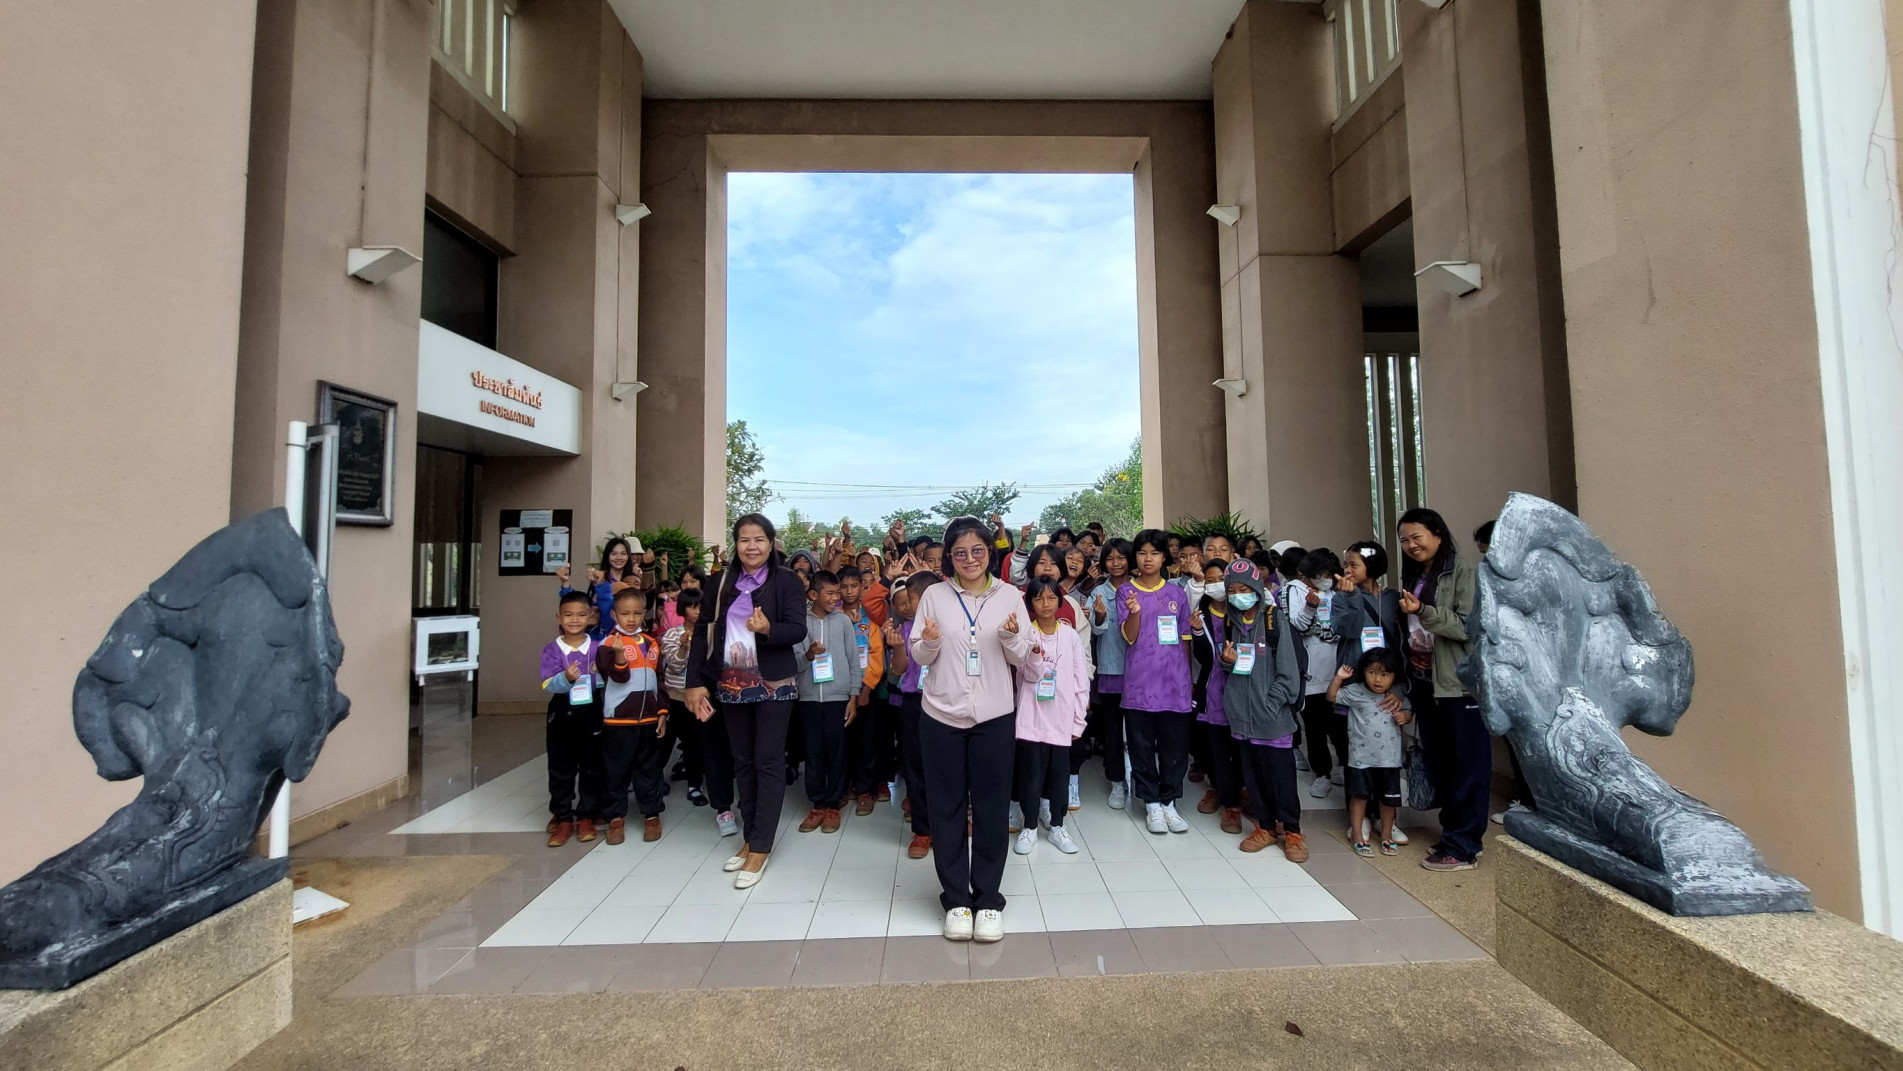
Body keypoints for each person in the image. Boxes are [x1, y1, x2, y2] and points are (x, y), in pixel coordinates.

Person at [910, 516, 1033, 943]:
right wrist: (928, 642)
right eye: (959, 552)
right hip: (941, 715)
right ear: (949, 557)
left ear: (989, 553)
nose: (969, 559)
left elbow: (1024, 658)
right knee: (944, 807)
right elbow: (920, 656)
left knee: (992, 808)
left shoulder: (1011, 595)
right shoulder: (934, 595)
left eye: (977, 550)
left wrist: (1012, 638)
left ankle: (988, 901)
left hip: (994, 717)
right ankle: (957, 901)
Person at [684, 513, 809, 889]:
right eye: (744, 540)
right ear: (735, 544)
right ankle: (750, 835)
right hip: (732, 683)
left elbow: (798, 628)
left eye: (759, 539)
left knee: (767, 761)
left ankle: (761, 846)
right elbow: (702, 636)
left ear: (771, 543)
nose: (751, 547)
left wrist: (768, 629)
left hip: (773, 683)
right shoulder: (720, 581)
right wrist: (694, 684)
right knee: (742, 761)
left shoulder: (786, 580)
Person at [1397, 507, 1486, 872]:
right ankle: (1454, 835)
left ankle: (1464, 846)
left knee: (1469, 766)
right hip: (1424, 681)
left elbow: (1469, 626)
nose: (1411, 545)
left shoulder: (1464, 572)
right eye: (1404, 540)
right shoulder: (1418, 573)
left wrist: (1426, 611)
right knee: (1442, 763)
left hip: (1458, 685)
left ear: (1437, 534)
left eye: (1417, 537)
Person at [1215, 559, 1306, 860]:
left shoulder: (1274, 621)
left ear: (1256, 589)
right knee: (1253, 778)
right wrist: (1227, 662)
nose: (1239, 595)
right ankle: (1265, 827)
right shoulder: (1232, 624)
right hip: (1242, 718)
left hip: (1273, 718)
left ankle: (1292, 831)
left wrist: (1272, 702)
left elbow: (1290, 672)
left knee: (1281, 777)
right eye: (1232, 591)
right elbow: (1235, 670)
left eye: (1244, 589)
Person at [1119, 528, 1198, 835]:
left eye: (1154, 552)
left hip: (1174, 683)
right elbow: (1130, 635)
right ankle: (1151, 803)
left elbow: (1185, 639)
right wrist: (1135, 612)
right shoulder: (1127, 591)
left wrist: (1187, 679)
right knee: (1140, 745)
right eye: (1142, 553)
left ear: (1165, 556)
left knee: (1175, 746)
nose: (1148, 558)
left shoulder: (1176, 593)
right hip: (1139, 684)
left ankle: (1169, 802)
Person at [1013, 577, 1090, 856]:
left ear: (1060, 600)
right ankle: (1030, 826)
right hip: (1032, 718)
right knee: (1031, 775)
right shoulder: (1026, 635)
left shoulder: (1069, 636)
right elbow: (1030, 675)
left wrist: (1078, 718)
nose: (1045, 604)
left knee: (1060, 775)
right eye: (1038, 598)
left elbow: (1080, 679)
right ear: (1030, 603)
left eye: (1051, 598)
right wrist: (1033, 654)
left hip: (1061, 718)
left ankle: (1057, 825)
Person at [595, 588, 670, 845]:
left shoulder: (652, 643)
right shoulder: (607, 645)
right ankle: (616, 817)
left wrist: (662, 711)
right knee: (616, 769)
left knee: (649, 768)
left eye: (637, 613)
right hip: (618, 721)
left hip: (648, 719)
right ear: (614, 614)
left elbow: (660, 681)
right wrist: (618, 655)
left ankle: (652, 814)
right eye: (625, 613)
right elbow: (618, 676)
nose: (631, 619)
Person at [1327, 647, 1412, 856]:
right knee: (1359, 796)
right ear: (1363, 671)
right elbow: (1332, 697)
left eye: (1385, 674)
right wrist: (1339, 677)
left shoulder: (1395, 698)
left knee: (1389, 800)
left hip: (1389, 760)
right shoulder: (1355, 691)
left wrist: (1406, 717)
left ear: (1394, 676)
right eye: (1372, 672)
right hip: (1360, 759)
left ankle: (1386, 834)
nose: (1377, 680)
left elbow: (1408, 712)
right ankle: (1357, 834)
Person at [794, 570, 859, 835]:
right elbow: (795, 662)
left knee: (837, 752)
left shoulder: (843, 621)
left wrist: (853, 695)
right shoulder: (800, 624)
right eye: (830, 593)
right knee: (813, 752)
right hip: (809, 698)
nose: (837, 597)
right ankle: (817, 803)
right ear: (813, 595)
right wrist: (809, 654)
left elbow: (854, 660)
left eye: (838, 592)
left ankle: (834, 804)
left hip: (838, 698)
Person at [540, 590, 604, 847]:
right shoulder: (552, 650)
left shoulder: (598, 648)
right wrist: (565, 679)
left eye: (581, 615)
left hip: (592, 713)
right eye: (568, 615)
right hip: (562, 714)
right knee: (560, 767)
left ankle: (586, 815)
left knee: (592, 766)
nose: (574, 620)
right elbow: (547, 683)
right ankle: (563, 817)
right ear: (559, 617)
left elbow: (606, 680)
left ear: (590, 617)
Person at [885, 571, 940, 859]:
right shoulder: (905, 629)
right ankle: (922, 829)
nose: (908, 605)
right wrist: (896, 646)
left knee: (948, 768)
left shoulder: (951, 627)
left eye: (914, 598)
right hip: (914, 703)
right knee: (916, 766)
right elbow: (900, 669)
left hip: (945, 703)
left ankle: (950, 824)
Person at [1287, 548, 1350, 798]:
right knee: (1314, 728)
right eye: (1320, 573)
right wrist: (1310, 609)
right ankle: (1321, 773)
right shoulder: (1297, 590)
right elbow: (1297, 626)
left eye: (1329, 574)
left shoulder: (1338, 592)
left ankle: (1345, 768)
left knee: (1340, 727)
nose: (1325, 578)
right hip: (1312, 673)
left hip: (1339, 671)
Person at [1189, 558, 1245, 835]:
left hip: (1243, 687)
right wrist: (1198, 631)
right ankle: (1230, 805)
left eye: (1220, 579)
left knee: (1242, 748)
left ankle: (1240, 790)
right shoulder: (1202, 613)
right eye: (1209, 580)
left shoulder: (1243, 611)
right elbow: (1202, 657)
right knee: (1216, 748)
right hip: (1213, 687)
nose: (1215, 585)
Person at [1082, 538, 1134, 809]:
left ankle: (1138, 779)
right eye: (1110, 559)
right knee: (1112, 730)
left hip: (1141, 671)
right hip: (1111, 668)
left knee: (1138, 730)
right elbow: (1096, 631)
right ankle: (1116, 781)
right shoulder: (1098, 592)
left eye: (1121, 558)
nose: (1115, 563)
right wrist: (1099, 617)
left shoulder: (1139, 589)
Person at [837, 565, 889, 815]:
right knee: (841, 741)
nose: (848, 592)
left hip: (866, 691)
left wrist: (866, 688)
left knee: (866, 742)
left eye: (854, 586)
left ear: (861, 588)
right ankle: (845, 786)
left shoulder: (871, 621)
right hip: (837, 691)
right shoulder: (832, 618)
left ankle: (865, 790)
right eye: (844, 587)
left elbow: (877, 656)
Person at [661, 589, 712, 808]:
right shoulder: (672, 634)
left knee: (695, 744)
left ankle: (694, 785)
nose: (697, 611)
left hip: (700, 699)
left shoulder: (710, 634)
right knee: (664, 743)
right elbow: (674, 664)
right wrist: (683, 647)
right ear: (683, 609)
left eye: (700, 605)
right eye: (692, 606)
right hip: (675, 698)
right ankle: (653, 781)